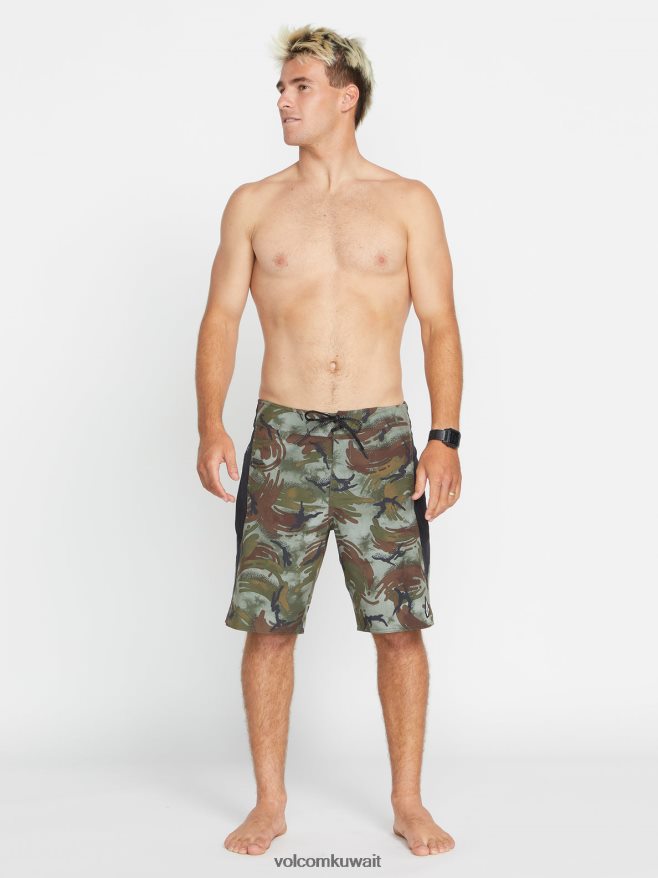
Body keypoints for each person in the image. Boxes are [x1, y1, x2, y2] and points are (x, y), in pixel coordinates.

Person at [195, 24, 462, 858]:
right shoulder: (253, 203)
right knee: (269, 624)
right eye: (281, 87)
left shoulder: (409, 201)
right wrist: (210, 423)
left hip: (383, 438)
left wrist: (445, 437)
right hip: (283, 436)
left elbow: (440, 324)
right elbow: (221, 318)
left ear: (347, 97)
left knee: (399, 626)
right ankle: (270, 803)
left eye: (299, 85)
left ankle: (408, 801)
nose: (283, 99)